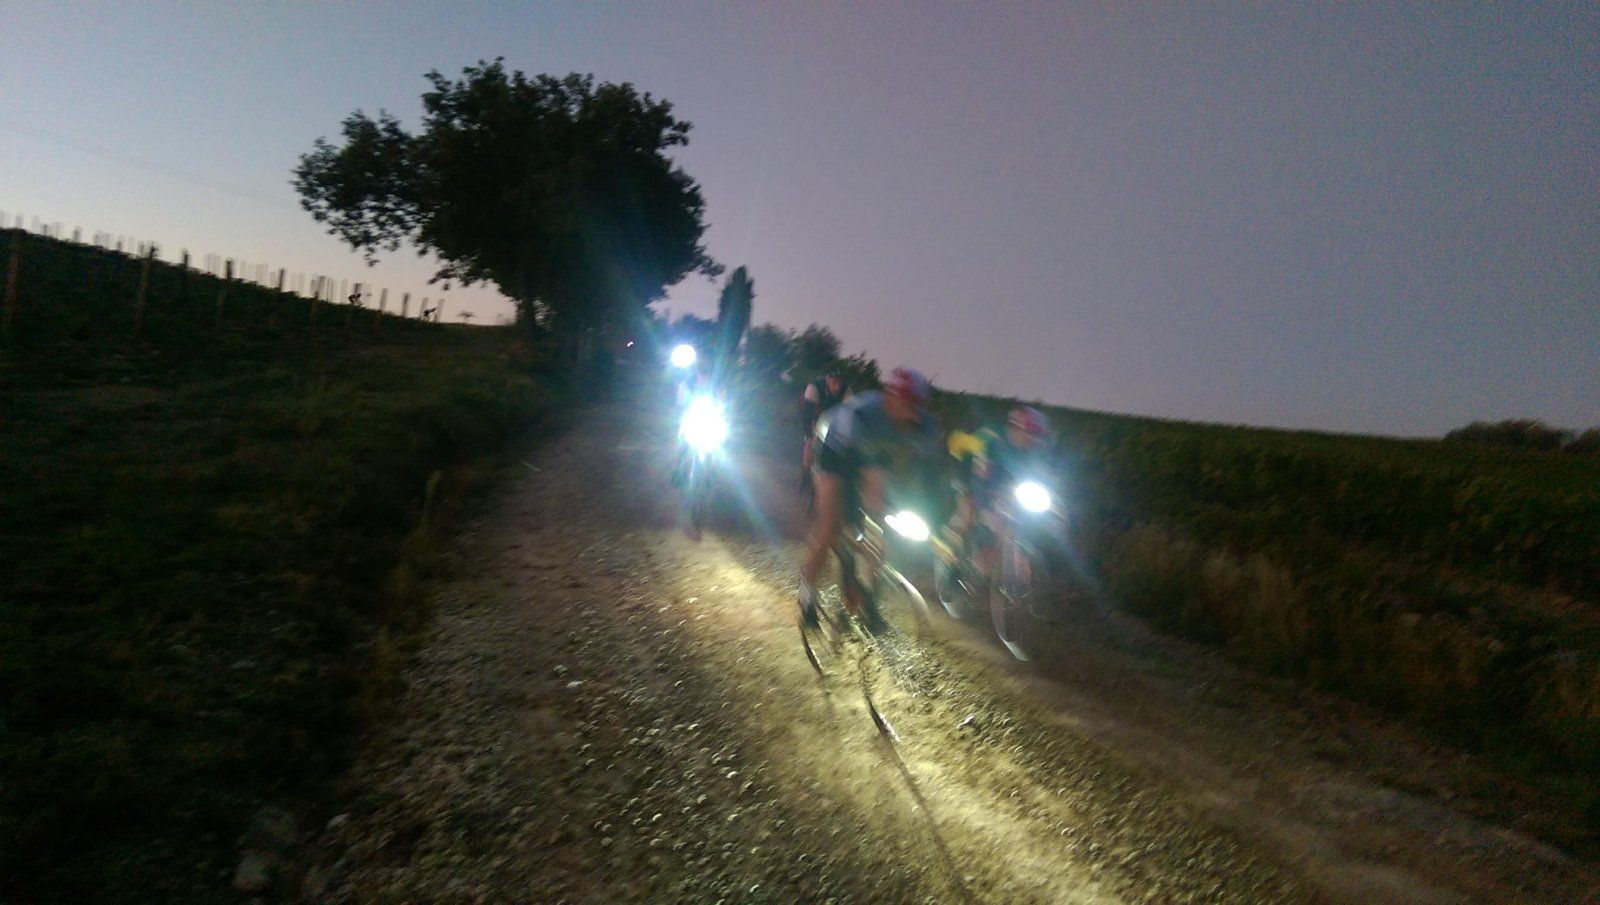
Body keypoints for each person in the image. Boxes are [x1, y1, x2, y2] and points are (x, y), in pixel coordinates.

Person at [799, 367, 941, 633]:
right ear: (890, 398)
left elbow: (927, 474)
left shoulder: (924, 425)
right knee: (830, 528)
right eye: (907, 405)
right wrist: (880, 508)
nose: (912, 414)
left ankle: (866, 596)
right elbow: (870, 477)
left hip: (874, 457)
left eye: (917, 408)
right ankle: (807, 592)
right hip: (833, 449)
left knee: (878, 530)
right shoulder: (862, 414)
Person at [945, 405, 1054, 581]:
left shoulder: (1032, 451)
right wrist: (985, 509)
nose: (1034, 442)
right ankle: (948, 559)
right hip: (967, 475)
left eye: (1038, 437)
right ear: (1017, 428)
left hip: (997, 483)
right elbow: (979, 482)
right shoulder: (990, 440)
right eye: (1032, 435)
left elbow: (1039, 479)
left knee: (1007, 519)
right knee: (967, 515)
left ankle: (987, 569)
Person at [798, 367, 850, 494]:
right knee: (810, 443)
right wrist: (809, 436)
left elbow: (850, 415)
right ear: (828, 380)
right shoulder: (814, 388)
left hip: (834, 419)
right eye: (834, 383)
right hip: (815, 415)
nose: (837, 387)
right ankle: (805, 474)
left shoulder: (846, 390)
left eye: (840, 383)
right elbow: (807, 416)